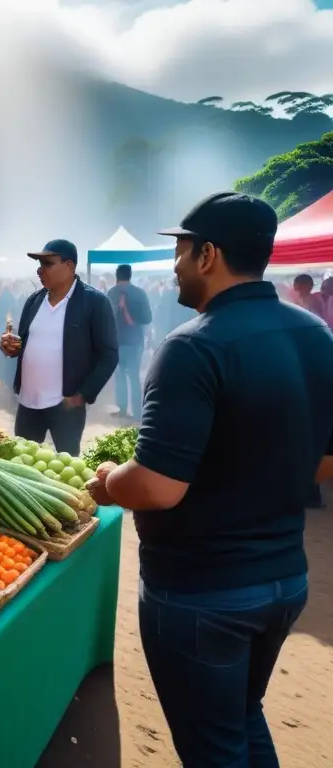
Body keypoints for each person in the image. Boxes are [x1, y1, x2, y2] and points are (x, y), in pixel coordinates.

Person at [86, 192, 333, 767]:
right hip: (284, 581)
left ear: (208, 255)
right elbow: (325, 462)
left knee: (213, 747)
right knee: (242, 718)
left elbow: (155, 486)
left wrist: (108, 481)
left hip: (204, 595)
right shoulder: (316, 337)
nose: (174, 263)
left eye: (180, 249)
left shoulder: (193, 348)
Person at [0, 239, 117, 454]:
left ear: (69, 266)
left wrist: (82, 395)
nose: (39, 270)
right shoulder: (34, 301)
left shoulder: (94, 302)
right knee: (22, 461)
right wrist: (13, 347)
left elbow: (109, 356)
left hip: (65, 404)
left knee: (66, 463)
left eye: (47, 264)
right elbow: (25, 344)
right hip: (28, 403)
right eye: (39, 264)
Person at [107, 264, 153, 420]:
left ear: (117, 275)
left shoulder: (110, 294)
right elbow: (148, 318)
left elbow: (104, 321)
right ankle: (137, 413)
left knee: (119, 376)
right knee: (134, 376)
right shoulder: (140, 293)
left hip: (116, 342)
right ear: (130, 275)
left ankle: (122, 409)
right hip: (134, 342)